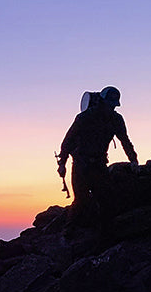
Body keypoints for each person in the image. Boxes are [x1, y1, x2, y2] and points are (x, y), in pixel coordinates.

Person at [56, 86, 138, 231]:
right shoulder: (84, 118)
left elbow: (125, 140)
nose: (112, 108)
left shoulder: (116, 119)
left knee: (106, 200)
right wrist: (62, 163)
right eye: (110, 104)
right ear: (102, 101)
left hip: (99, 164)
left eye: (114, 105)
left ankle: (104, 234)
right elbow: (68, 142)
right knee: (81, 201)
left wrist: (133, 160)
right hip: (81, 164)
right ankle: (68, 232)